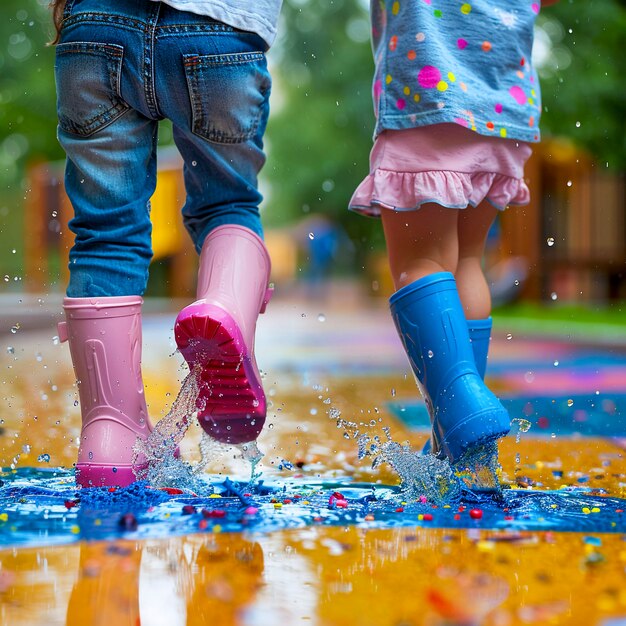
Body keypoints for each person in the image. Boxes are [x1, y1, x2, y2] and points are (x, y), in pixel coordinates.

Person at [51, 0, 281, 487]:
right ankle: (224, 308)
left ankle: (108, 436)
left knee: (104, 233)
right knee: (227, 204)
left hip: (94, 28)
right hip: (220, 29)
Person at [350, 1, 557, 463]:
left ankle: (459, 406)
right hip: (504, 106)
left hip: (429, 93)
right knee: (466, 260)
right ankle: (456, 436)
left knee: (421, 261)